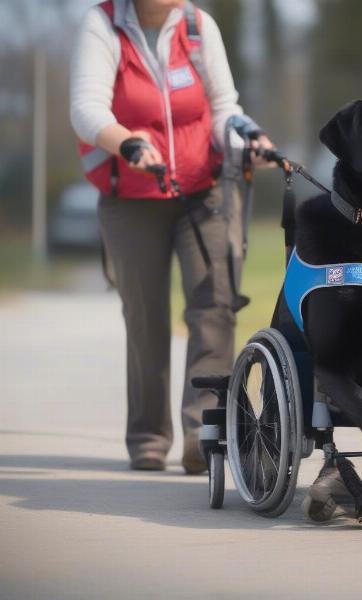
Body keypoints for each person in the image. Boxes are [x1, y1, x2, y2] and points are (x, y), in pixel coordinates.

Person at [70, 0, 274, 473]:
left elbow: (225, 110)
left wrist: (250, 142)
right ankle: (147, 434)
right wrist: (128, 142)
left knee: (214, 307)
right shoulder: (103, 25)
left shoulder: (199, 27)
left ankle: (204, 432)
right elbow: (86, 109)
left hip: (202, 192)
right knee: (145, 315)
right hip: (130, 196)